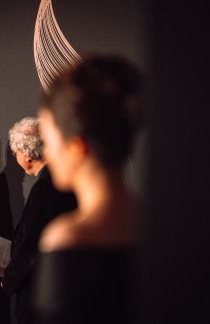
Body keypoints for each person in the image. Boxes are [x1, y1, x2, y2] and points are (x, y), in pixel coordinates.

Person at [34, 55, 142, 323]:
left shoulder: (67, 238)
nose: (46, 152)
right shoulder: (164, 227)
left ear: (76, 146)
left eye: (47, 140)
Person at [2, 117, 77, 323]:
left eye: (15, 152)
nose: (16, 157)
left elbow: (32, 245)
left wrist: (9, 280)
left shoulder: (44, 188)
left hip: (39, 294)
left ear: (26, 155)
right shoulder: (62, 179)